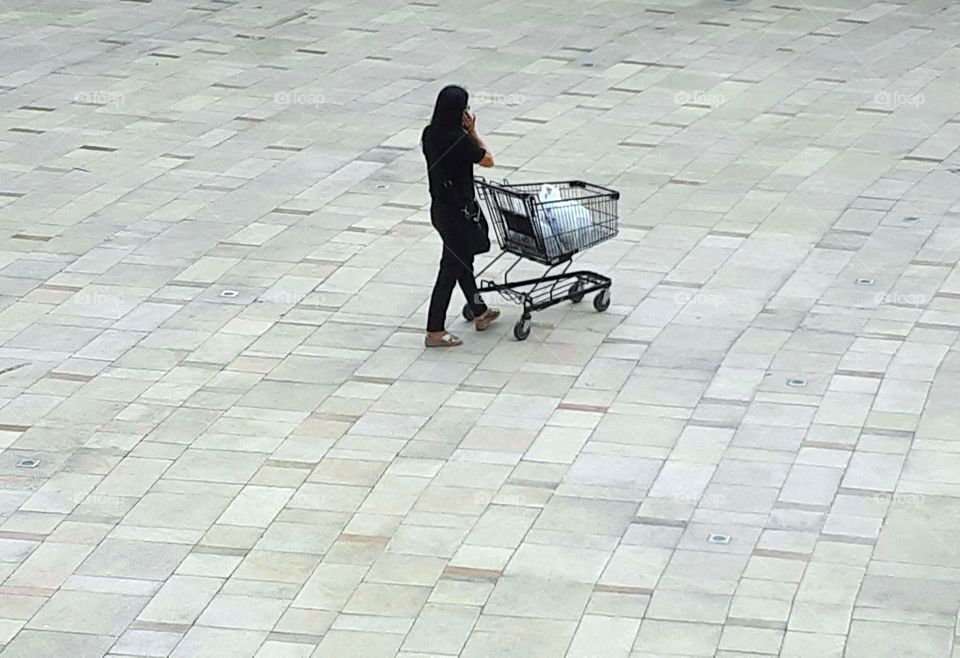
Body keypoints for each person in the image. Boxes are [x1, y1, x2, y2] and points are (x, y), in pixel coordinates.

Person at [421, 85, 500, 348]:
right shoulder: (459, 140)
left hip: (441, 210)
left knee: (463, 263)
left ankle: (479, 311)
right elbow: (488, 160)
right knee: (450, 270)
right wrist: (474, 133)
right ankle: (434, 330)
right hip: (459, 214)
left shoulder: (430, 134)